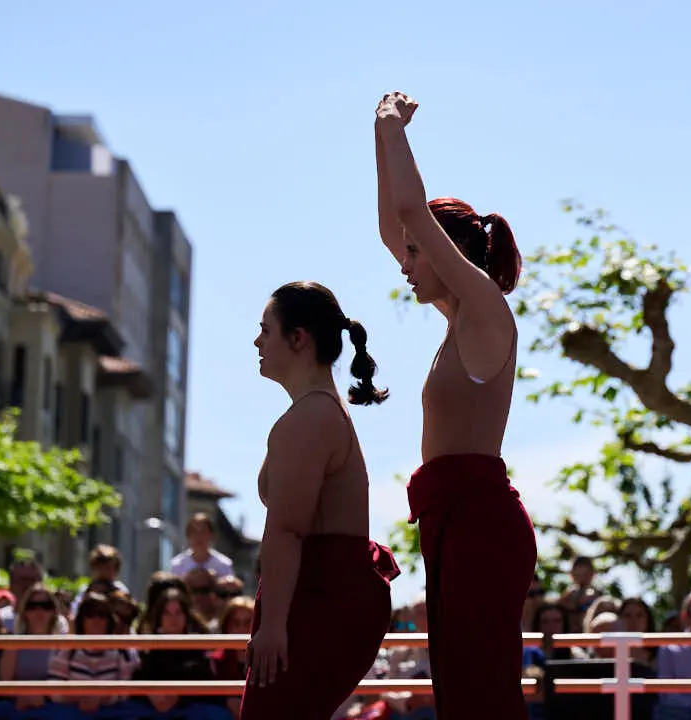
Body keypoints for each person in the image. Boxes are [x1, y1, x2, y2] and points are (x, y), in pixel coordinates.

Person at [375, 90, 536, 718]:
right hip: (450, 521)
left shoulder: (486, 311)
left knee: (482, 693)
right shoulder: (456, 321)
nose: (406, 264)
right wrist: (376, 132)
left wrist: (393, 127)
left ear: (450, 253)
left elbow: (410, 213)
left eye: (419, 254)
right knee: (461, 692)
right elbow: (394, 224)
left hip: (480, 522)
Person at [240, 281, 400, 719]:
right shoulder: (317, 411)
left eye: (266, 330)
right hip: (320, 594)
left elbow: (287, 529)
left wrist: (272, 627)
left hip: (318, 600)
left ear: (298, 338)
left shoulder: (310, 416)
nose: (257, 341)